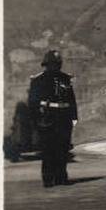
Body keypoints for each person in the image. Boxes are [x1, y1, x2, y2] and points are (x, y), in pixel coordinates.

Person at [28, 50, 77, 187]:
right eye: (53, 64)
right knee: (48, 149)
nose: (56, 66)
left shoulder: (65, 78)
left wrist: (74, 116)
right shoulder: (38, 80)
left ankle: (61, 176)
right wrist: (36, 120)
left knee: (63, 148)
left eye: (57, 64)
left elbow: (71, 99)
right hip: (47, 117)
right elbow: (32, 103)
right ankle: (48, 178)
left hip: (64, 117)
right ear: (46, 64)